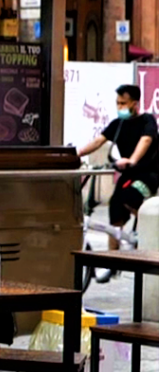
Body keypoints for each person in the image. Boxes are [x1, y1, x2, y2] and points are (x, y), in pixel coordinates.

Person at [77, 84, 159, 249]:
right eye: (118, 103)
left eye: (124, 103)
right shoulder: (118, 124)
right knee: (115, 211)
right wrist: (76, 154)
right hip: (128, 175)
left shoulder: (147, 120)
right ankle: (112, 258)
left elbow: (146, 140)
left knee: (131, 197)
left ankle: (151, 229)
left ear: (135, 104)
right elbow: (98, 141)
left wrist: (133, 160)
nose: (120, 107)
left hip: (148, 174)